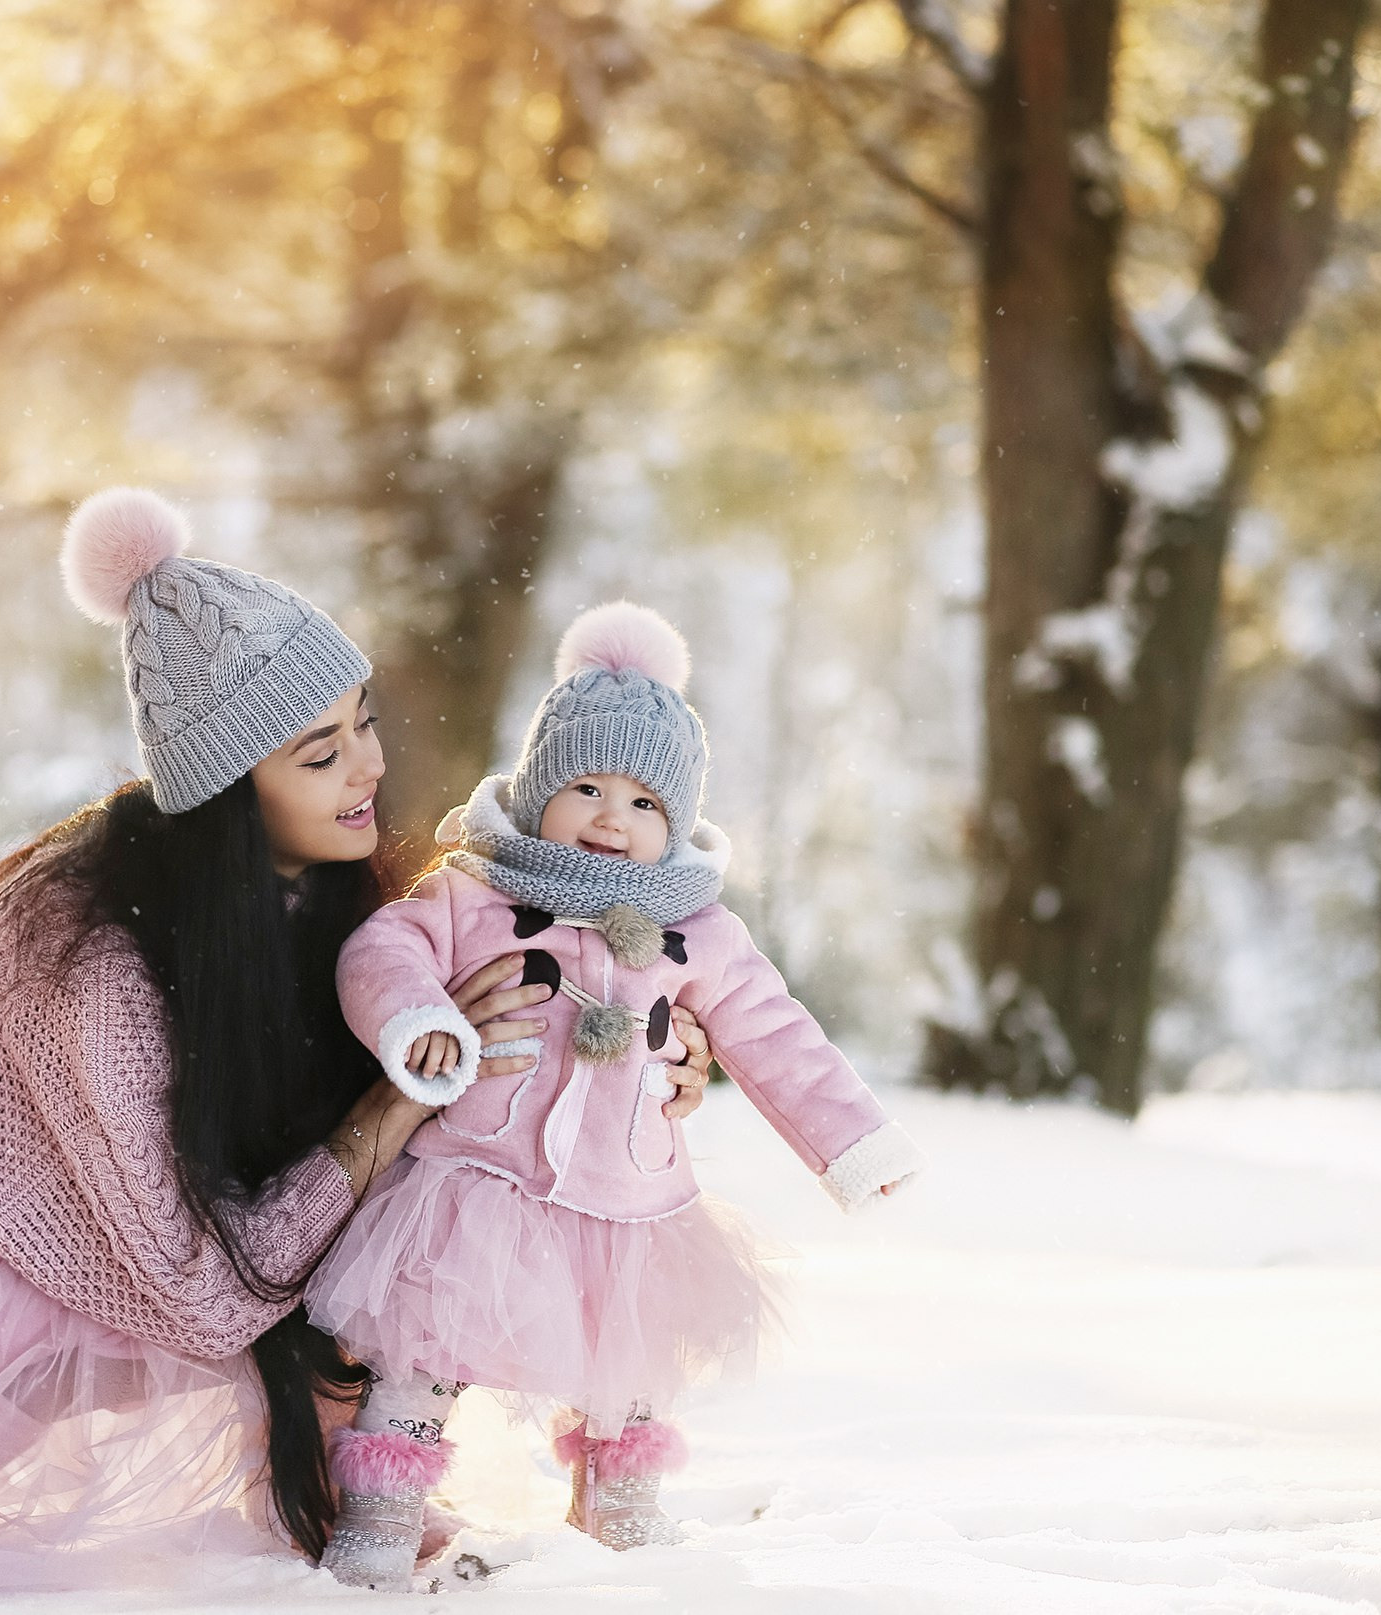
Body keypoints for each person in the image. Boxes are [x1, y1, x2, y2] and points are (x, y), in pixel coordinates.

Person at [0, 490, 721, 1603]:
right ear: (226, 796)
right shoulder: (92, 960)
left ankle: (365, 1511)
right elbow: (198, 1295)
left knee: (355, 1285)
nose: (369, 768)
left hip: (139, 1230)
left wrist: (651, 1061)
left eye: (363, 723)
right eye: (319, 754)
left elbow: (521, 1009)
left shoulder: (345, 893)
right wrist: (390, 1110)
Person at [303, 601, 927, 1590]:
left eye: (644, 804)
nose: (610, 817)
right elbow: (384, 949)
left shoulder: (702, 930)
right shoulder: (473, 892)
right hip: (477, 1187)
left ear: (676, 824)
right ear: (540, 785)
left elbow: (776, 1036)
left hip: (631, 1200)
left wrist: (850, 1143)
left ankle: (621, 1502)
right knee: (421, 1348)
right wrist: (419, 1018)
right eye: (586, 786)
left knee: (629, 1364)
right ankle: (383, 1505)